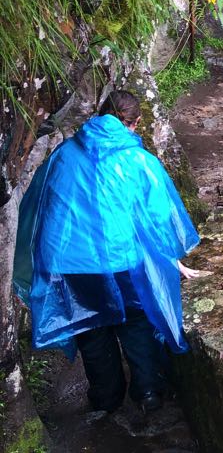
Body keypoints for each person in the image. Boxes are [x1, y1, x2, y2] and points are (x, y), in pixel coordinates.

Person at [13, 90, 201, 413]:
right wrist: (172, 259)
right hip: (122, 260)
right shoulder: (138, 161)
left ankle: (106, 398)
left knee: (90, 326)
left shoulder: (64, 154)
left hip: (70, 264)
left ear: (99, 113)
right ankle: (147, 392)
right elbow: (159, 220)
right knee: (136, 320)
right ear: (135, 123)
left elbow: (41, 205)